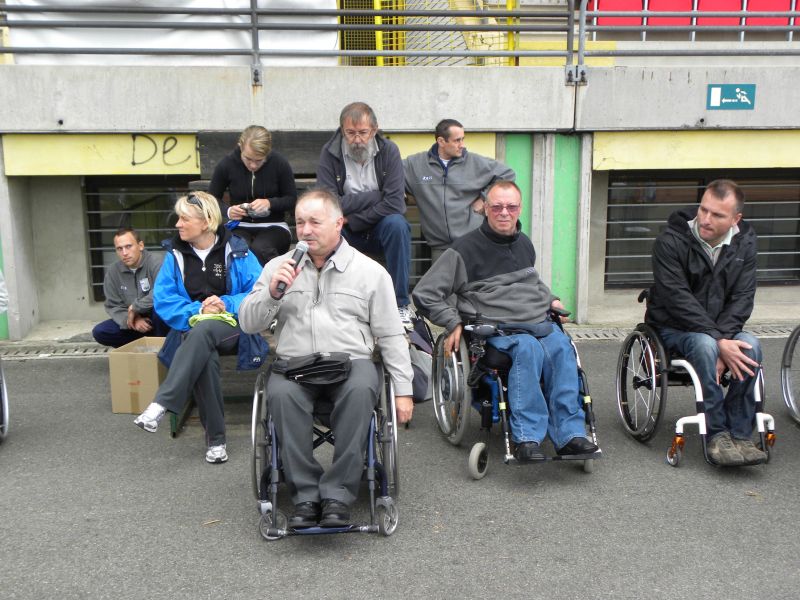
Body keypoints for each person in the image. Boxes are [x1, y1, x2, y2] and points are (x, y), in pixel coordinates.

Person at [239, 188, 414, 528]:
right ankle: (305, 496)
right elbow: (248, 323)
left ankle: (338, 494)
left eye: (315, 222)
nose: (305, 230)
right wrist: (272, 295)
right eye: (300, 222)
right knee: (281, 395)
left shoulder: (370, 272)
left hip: (351, 362)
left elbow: (391, 334)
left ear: (338, 223)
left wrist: (403, 390)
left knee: (361, 390)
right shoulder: (278, 267)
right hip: (294, 364)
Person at [413, 180, 597, 462]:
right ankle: (527, 437)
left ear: (519, 209)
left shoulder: (524, 243)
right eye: (497, 206)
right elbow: (425, 293)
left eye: (511, 207)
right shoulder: (463, 250)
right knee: (528, 349)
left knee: (562, 347)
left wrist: (551, 299)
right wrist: (452, 322)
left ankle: (570, 434)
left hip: (536, 321)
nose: (504, 212)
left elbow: (530, 282)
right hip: (497, 327)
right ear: (485, 209)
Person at [133, 192, 268, 464]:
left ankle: (162, 402)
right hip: (191, 328)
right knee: (204, 351)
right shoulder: (174, 255)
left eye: (185, 219)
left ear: (206, 222)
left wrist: (226, 303)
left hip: (233, 327)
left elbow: (258, 291)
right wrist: (198, 311)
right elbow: (164, 300)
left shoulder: (238, 249)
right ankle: (216, 444)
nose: (178, 224)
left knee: (202, 333)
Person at [645, 179, 766, 466]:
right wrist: (718, 341)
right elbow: (677, 299)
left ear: (736, 219)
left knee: (751, 345)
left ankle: (740, 433)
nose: (706, 219)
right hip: (674, 327)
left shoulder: (745, 243)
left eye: (717, 215)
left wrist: (723, 339)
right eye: (703, 209)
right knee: (704, 344)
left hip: (721, 330)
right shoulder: (670, 241)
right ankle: (717, 434)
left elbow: (743, 298)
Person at [316, 102, 413, 325]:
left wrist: (355, 218)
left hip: (377, 225)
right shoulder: (329, 153)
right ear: (342, 130)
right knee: (327, 231)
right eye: (350, 133)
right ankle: (332, 305)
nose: (357, 139)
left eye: (363, 132)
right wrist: (375, 196)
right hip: (344, 228)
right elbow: (329, 203)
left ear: (374, 130)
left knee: (398, 225)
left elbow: (395, 204)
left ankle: (400, 305)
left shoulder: (389, 151)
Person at [404, 118, 515, 261]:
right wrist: (404, 195)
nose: (462, 145)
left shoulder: (475, 162)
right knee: (442, 277)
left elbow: (507, 174)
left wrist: (484, 199)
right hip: (439, 249)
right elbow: (389, 176)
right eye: (457, 140)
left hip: (473, 244)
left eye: (463, 139)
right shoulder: (415, 164)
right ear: (441, 141)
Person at [209, 125, 297, 265]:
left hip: (274, 225)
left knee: (261, 249)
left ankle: (273, 278)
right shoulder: (227, 164)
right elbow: (211, 200)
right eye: (248, 159)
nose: (253, 165)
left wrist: (270, 203)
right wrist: (229, 211)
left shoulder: (279, 163)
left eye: (259, 160)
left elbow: (291, 199)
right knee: (238, 248)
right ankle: (239, 280)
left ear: (267, 152)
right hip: (239, 225)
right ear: (240, 147)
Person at [92, 227, 168, 348]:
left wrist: (135, 307)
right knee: (100, 332)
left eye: (128, 246)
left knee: (160, 311)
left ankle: (162, 348)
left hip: (159, 321)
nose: (124, 253)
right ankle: (142, 344)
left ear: (140, 245)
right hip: (135, 323)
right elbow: (113, 305)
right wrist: (132, 320)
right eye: (119, 249)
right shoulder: (113, 272)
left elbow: (162, 292)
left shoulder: (157, 262)